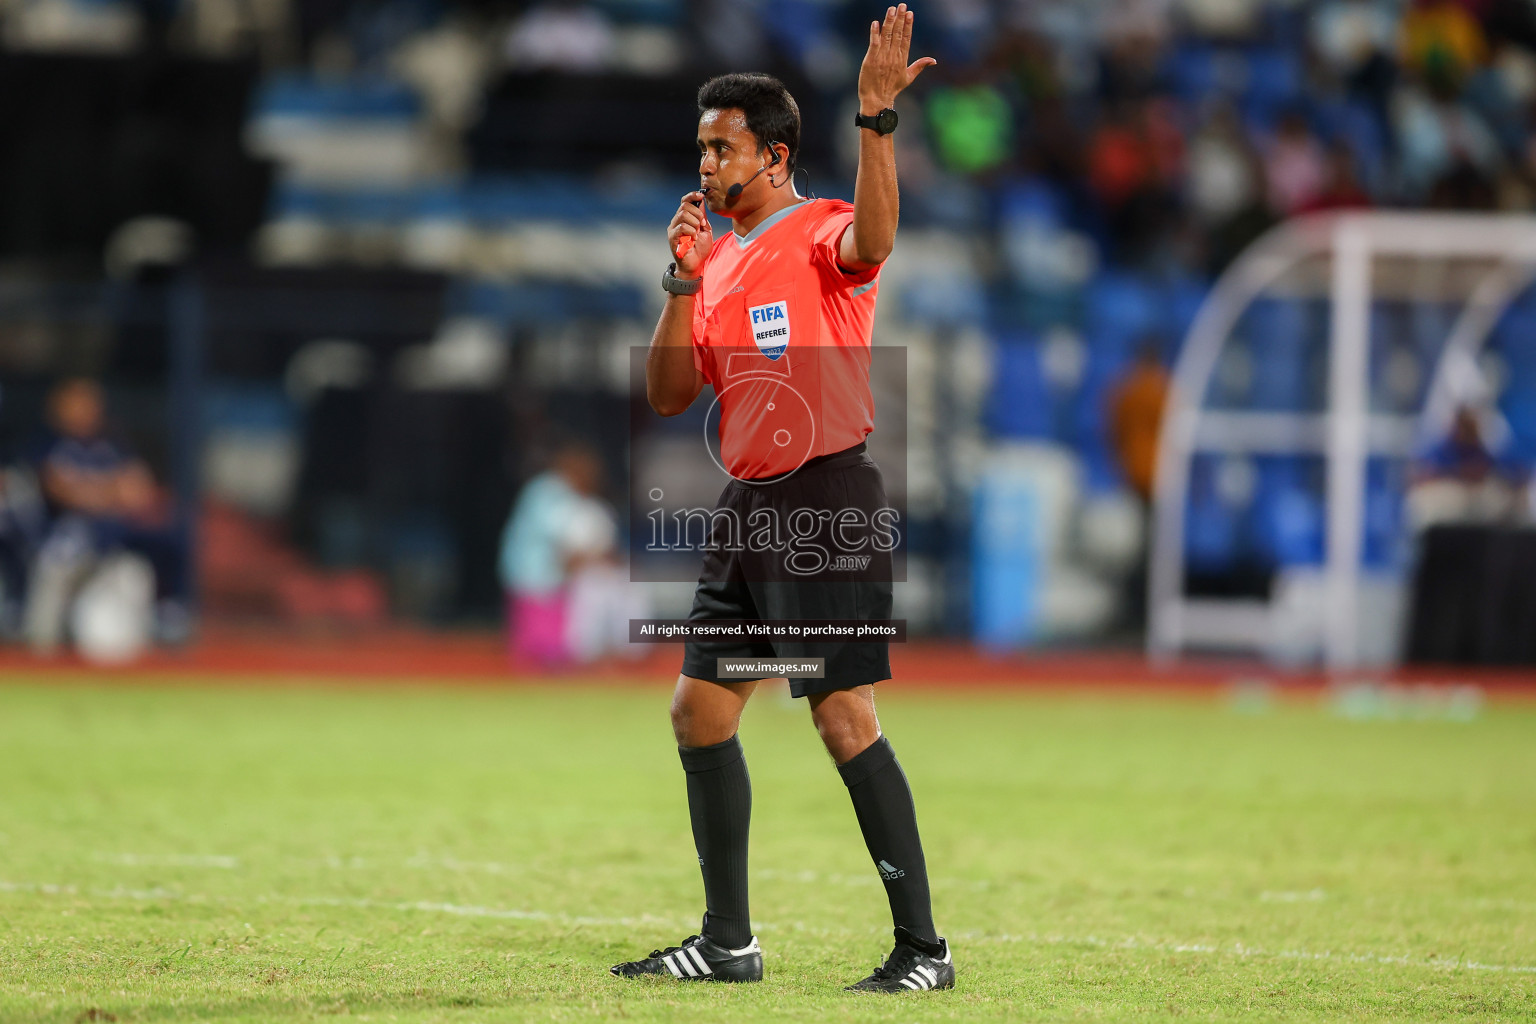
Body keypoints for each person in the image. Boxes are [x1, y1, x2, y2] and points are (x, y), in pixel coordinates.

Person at [609, 6, 955, 994]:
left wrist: (877, 121)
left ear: (774, 156)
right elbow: (671, 395)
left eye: (723, 149)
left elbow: (878, 234)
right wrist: (679, 282)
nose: (708, 166)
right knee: (699, 714)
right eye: (704, 149)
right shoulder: (714, 266)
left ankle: (923, 950)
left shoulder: (819, 233)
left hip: (826, 498)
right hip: (751, 507)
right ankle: (728, 944)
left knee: (844, 718)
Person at [24, 378, 190, 653]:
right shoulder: (48, 443)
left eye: (88, 402)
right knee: (43, 638)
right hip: (62, 546)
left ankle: (166, 615)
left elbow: (139, 490)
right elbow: (62, 491)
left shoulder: (112, 445)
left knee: (162, 550)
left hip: (111, 542)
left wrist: (89, 489)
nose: (83, 409)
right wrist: (110, 490)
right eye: (74, 402)